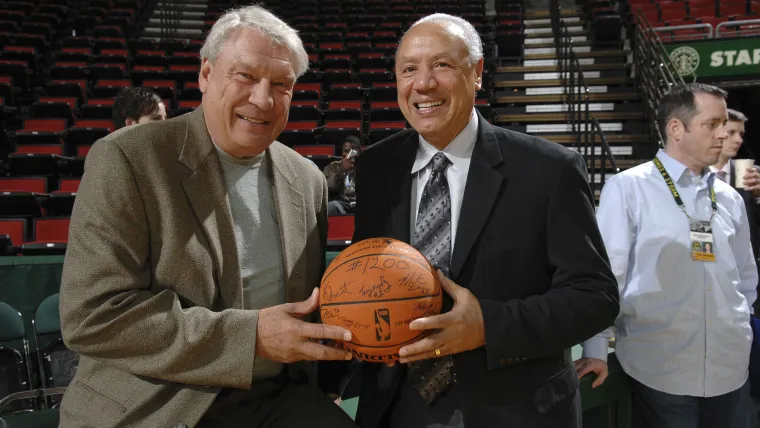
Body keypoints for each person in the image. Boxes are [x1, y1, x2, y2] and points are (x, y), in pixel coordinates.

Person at [58, 6, 359, 428]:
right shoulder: (127, 158)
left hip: (274, 398)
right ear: (205, 74)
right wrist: (250, 337)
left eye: (281, 84)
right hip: (158, 400)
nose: (262, 98)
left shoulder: (307, 180)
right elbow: (93, 316)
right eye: (246, 76)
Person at [321, 13, 620, 428]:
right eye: (409, 69)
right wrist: (332, 382)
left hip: (517, 409)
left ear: (476, 73)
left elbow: (595, 296)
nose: (423, 83)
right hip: (398, 408)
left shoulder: (549, 169)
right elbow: (363, 279)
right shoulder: (377, 167)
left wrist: (486, 326)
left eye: (442, 65)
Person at [576, 83, 757, 428]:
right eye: (713, 124)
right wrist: (596, 349)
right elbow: (606, 276)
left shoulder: (729, 198)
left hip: (730, 370)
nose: (723, 134)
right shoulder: (629, 188)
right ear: (676, 128)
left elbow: (745, 277)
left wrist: (738, 328)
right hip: (660, 369)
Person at [710, 109, 760, 313]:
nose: (738, 140)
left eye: (741, 134)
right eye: (731, 133)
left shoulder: (753, 175)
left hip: (748, 276)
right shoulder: (694, 176)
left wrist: (759, 196)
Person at [323, 135, 361, 215]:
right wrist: (341, 170)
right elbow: (325, 188)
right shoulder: (332, 167)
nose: (348, 155)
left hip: (360, 204)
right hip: (340, 204)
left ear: (359, 152)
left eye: (352, 152)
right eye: (346, 151)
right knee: (331, 206)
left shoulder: (365, 168)